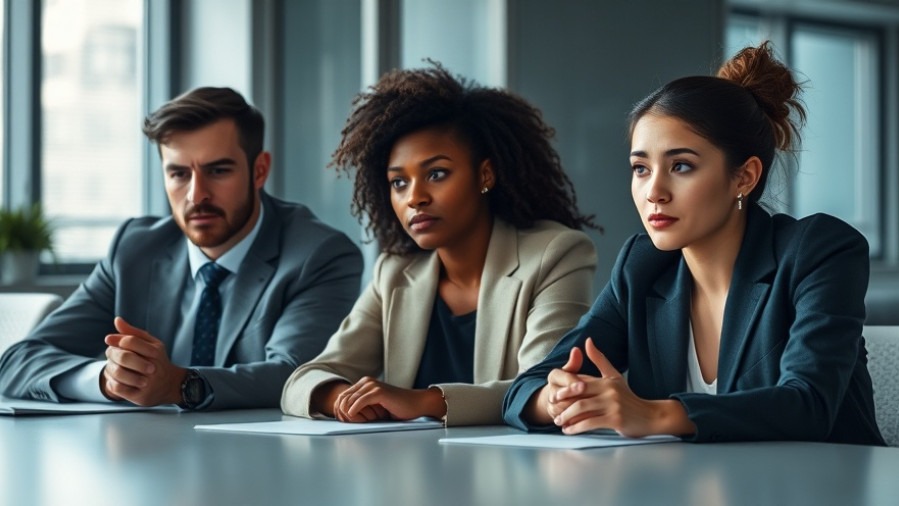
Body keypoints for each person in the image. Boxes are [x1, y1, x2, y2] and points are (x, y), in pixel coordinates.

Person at [503, 42, 885, 445]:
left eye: (681, 166)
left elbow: (808, 405)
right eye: (640, 168)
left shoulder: (820, 251)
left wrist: (654, 413)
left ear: (744, 177)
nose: (654, 191)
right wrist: (562, 396)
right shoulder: (643, 265)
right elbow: (524, 389)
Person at [0, 87, 363, 410]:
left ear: (259, 170)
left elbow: (296, 375)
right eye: (178, 174)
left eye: (218, 171)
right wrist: (106, 381)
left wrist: (179, 385)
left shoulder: (320, 254)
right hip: (149, 461)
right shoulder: (133, 250)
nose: (196, 195)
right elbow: (18, 361)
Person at [280, 63, 598, 426]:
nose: (415, 197)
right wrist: (341, 397)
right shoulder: (396, 271)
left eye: (436, 174)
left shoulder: (557, 253)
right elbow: (303, 380)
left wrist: (424, 401)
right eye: (399, 182)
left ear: (485, 175)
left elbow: (543, 388)